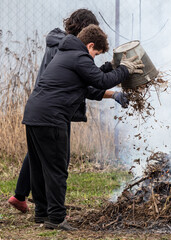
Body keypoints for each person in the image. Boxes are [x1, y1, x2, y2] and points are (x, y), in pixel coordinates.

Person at [22, 24, 144, 231]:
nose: (93, 58)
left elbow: (88, 86)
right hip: (52, 117)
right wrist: (125, 69)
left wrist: (110, 68)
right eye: (95, 53)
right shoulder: (79, 57)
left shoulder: (66, 54)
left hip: (34, 114)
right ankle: (56, 218)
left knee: (38, 167)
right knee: (56, 169)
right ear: (89, 45)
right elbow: (101, 81)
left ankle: (42, 213)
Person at [8, 9, 128, 213]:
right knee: (55, 164)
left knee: (39, 158)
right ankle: (54, 214)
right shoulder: (70, 51)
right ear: (85, 32)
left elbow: (88, 77)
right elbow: (89, 84)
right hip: (54, 110)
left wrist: (107, 68)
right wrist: (118, 81)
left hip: (41, 109)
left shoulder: (64, 46)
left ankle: (30, 202)